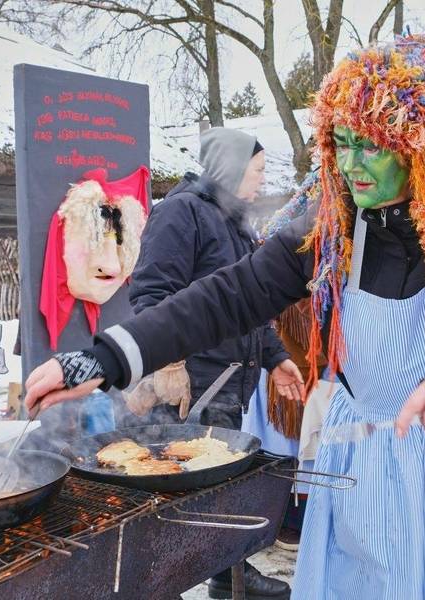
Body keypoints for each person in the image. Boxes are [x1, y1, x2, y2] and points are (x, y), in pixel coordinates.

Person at [25, 35, 425, 599]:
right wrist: (103, 357)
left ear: (423, 145)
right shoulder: (331, 237)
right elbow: (225, 297)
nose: (350, 164)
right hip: (367, 478)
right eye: (341, 142)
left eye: (371, 145)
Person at [126, 127, 299, 599]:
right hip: (190, 381)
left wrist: (276, 358)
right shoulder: (180, 214)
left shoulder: (236, 221)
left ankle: (227, 573)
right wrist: (168, 362)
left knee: (223, 481)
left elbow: (250, 304)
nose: (263, 181)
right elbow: (150, 294)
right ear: (230, 167)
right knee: (172, 486)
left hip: (229, 380)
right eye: (258, 170)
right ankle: (157, 585)